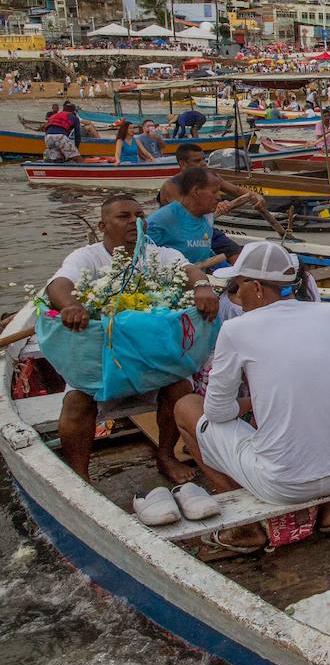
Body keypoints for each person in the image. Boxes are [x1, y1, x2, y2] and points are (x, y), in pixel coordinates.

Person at [174, 242, 330, 554]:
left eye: (238, 285)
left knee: (186, 408)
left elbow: (216, 413)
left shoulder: (237, 329)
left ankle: (246, 527)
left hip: (282, 484)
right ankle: (327, 511)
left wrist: (249, 404)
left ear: (257, 287)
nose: (234, 294)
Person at [46, 194, 219, 483]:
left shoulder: (158, 254)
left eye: (140, 215)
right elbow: (59, 285)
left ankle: (166, 456)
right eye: (124, 216)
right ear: (103, 225)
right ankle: (80, 476)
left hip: (151, 364)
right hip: (101, 366)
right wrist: (71, 306)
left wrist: (203, 286)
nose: (135, 221)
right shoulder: (86, 257)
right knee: (76, 402)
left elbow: (190, 270)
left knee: (180, 387)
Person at [146, 166, 222, 264]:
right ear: (196, 191)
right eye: (214, 192)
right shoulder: (164, 218)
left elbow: (204, 256)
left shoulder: (206, 219)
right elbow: (140, 254)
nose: (219, 198)